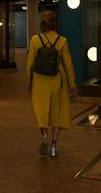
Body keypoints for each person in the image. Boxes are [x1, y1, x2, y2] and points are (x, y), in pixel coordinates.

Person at [26, 11, 77, 157]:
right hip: (57, 82)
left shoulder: (35, 40)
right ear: (55, 24)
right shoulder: (62, 41)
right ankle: (54, 147)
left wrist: (29, 81)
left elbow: (30, 63)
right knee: (57, 114)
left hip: (40, 81)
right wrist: (72, 84)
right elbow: (68, 65)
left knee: (42, 112)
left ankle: (43, 138)